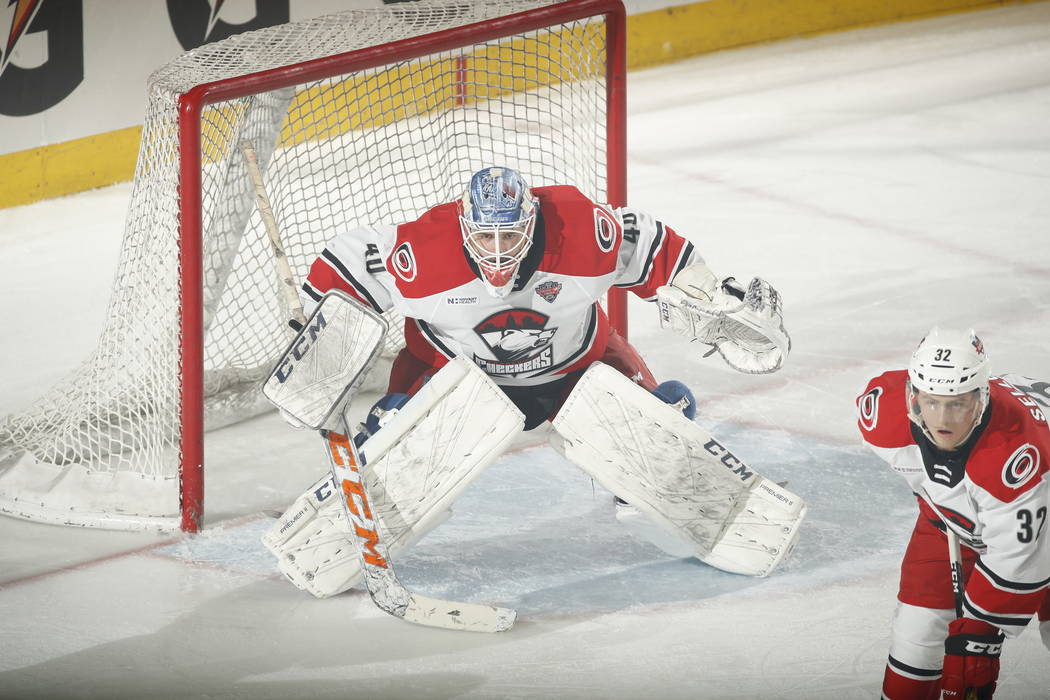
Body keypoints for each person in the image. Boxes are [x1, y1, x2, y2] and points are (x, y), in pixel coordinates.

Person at [300, 166, 789, 433]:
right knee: (392, 434)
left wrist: (711, 293)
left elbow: (651, 245)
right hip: (456, 378)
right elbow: (349, 259)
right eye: (485, 237)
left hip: (576, 367)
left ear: (530, 222)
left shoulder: (580, 231)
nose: (497, 250)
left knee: (661, 425)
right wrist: (315, 333)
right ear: (464, 226)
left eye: (509, 235)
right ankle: (376, 506)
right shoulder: (424, 251)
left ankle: (649, 486)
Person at [856, 328, 1050, 700]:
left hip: (1041, 526)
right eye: (931, 402)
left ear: (981, 398)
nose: (942, 419)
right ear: (912, 396)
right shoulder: (883, 415)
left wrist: (979, 636)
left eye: (957, 403)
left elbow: (1024, 564)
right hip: (956, 522)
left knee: (971, 657)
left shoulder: (1013, 457)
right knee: (914, 643)